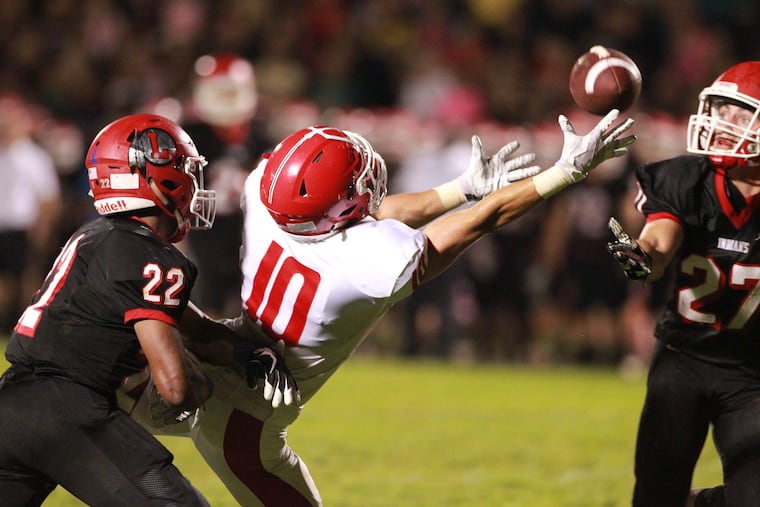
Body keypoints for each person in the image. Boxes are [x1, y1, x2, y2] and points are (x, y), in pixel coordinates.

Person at [133, 109, 635, 505]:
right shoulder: (366, 263)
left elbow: (364, 215)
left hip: (216, 365)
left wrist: (457, 189)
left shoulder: (265, 200)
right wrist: (564, 173)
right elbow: (479, 221)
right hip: (243, 424)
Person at [0, 113, 219, 506]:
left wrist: (240, 348)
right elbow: (174, 387)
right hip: (71, 413)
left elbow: (184, 320)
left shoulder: (93, 235)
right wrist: (209, 385)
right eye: (185, 170)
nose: (193, 182)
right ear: (154, 176)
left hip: (10, 406)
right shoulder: (150, 255)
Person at [607, 61, 760, 507]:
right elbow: (658, 242)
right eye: (721, 110)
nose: (723, 123)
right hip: (683, 360)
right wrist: (641, 258)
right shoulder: (685, 180)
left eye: (739, 114)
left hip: (751, 372)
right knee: (656, 495)